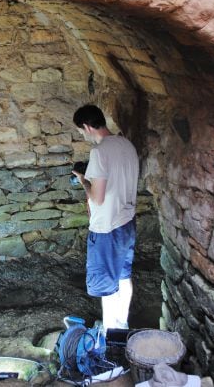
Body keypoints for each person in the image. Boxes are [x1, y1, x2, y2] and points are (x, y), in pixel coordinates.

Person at [72, 104, 139, 330]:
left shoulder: (99, 152)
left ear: (87, 126)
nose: (83, 135)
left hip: (106, 228)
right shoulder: (127, 144)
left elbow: (98, 198)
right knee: (123, 275)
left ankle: (111, 334)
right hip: (127, 222)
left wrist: (83, 182)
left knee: (107, 284)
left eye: (81, 131)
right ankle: (122, 324)